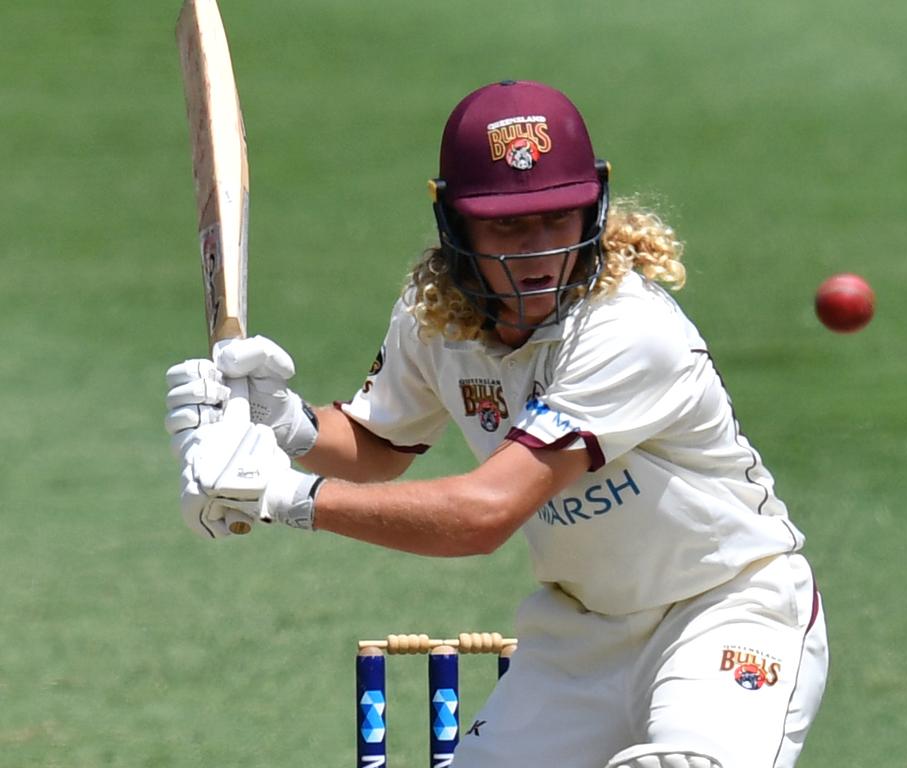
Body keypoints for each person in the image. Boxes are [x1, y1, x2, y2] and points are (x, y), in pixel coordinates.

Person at [165, 80, 828, 768]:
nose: (535, 249)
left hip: (725, 608)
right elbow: (380, 444)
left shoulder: (630, 331)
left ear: (593, 208)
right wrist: (284, 423)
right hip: (582, 636)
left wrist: (283, 497)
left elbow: (486, 514)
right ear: (454, 223)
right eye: (506, 225)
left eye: (556, 218)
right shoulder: (436, 317)